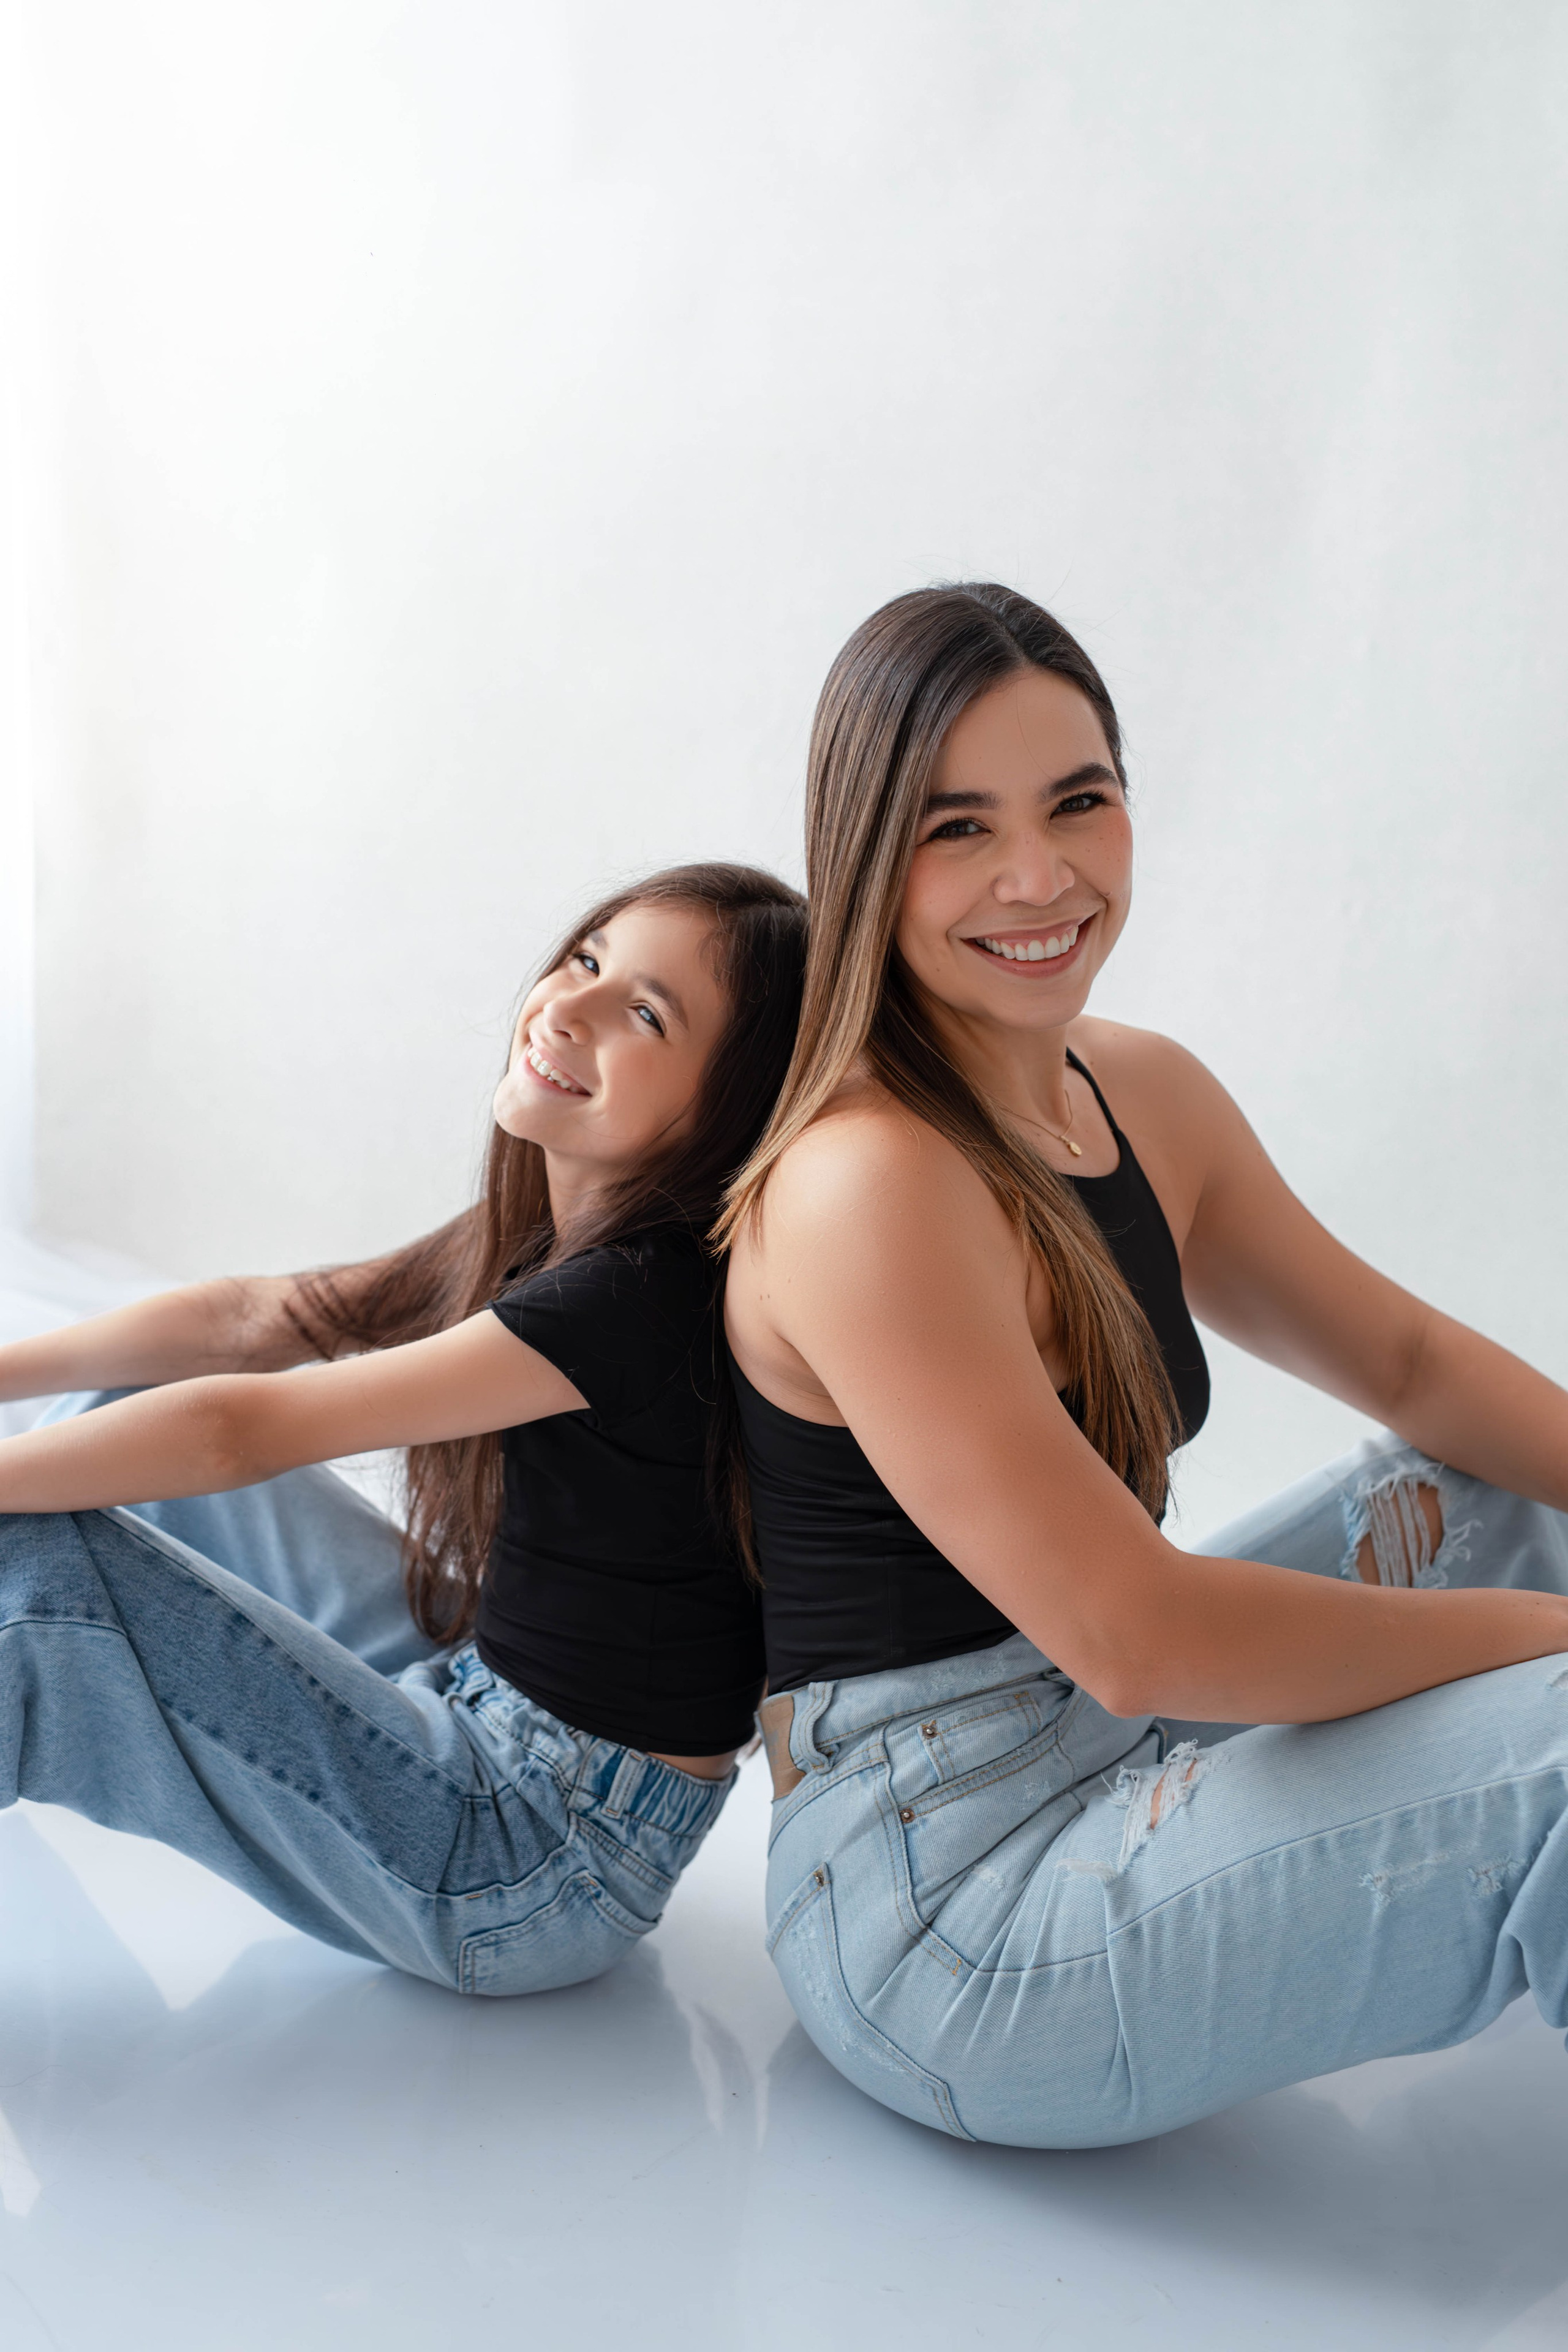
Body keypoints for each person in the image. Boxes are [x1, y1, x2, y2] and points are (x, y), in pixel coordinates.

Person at [720, 584, 1568, 2149]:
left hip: (1117, 1742)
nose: (1037, 877)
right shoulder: (864, 1184)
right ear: (864, 854)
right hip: (950, 1915)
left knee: (1501, 1498)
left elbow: (1402, 1358)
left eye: (1076, 802)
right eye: (957, 828)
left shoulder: (1137, 1093)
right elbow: (1136, 1636)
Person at [0, 862, 804, 1995]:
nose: (567, 1007)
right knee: (111, 1421)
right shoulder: (556, 1231)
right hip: (480, 1684)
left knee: (38, 1580)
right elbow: (253, 1322)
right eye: (587, 959)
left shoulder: (639, 1294)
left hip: (532, 1857)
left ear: (731, 1105)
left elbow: (242, 1431)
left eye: (644, 1014)